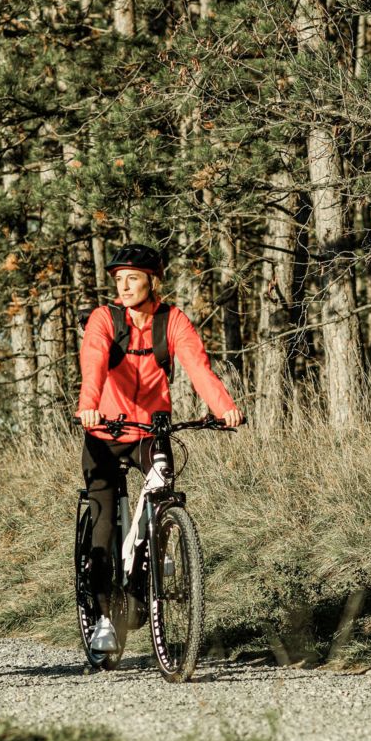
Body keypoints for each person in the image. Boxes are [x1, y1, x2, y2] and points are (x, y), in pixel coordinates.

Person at [75, 242, 243, 653]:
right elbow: (93, 361)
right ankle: (101, 619)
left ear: (154, 281)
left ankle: (154, 543)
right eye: (119, 279)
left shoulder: (173, 321)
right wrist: (89, 406)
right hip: (105, 433)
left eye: (133, 278)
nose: (125, 286)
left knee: (164, 479)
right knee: (101, 527)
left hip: (150, 428)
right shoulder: (104, 319)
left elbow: (197, 367)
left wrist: (224, 408)